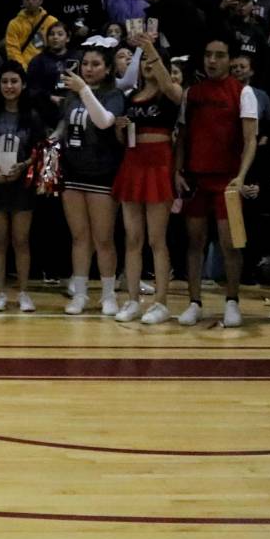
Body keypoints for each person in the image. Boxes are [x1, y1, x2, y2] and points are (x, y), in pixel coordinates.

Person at [175, 32, 258, 328]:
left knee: (231, 244)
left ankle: (232, 301)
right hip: (196, 179)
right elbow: (182, 137)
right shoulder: (191, 93)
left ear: (231, 59)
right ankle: (194, 302)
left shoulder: (243, 93)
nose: (212, 60)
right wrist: (178, 170)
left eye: (220, 55)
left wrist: (241, 176)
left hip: (228, 181)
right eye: (209, 54)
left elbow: (251, 140)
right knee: (194, 242)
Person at [111, 35, 183, 325]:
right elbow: (123, 139)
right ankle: (132, 300)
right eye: (143, 63)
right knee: (133, 238)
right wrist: (119, 128)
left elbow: (170, 88)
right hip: (133, 165)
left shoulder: (170, 92)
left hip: (159, 165)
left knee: (157, 239)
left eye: (153, 62)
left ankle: (161, 302)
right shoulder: (130, 97)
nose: (147, 67)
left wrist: (149, 48)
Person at [55, 40, 125, 316]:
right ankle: (81, 294)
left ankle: (109, 295)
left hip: (103, 174)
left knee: (103, 239)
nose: (89, 69)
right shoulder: (72, 96)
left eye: (96, 64)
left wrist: (84, 90)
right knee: (79, 237)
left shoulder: (113, 94)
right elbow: (64, 126)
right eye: (85, 64)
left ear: (108, 69)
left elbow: (104, 121)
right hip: (73, 173)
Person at [0, 62, 43, 312]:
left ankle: (24, 292)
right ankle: (0, 292)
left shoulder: (32, 116)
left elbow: (39, 152)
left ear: (23, 84)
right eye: (4, 81)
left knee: (21, 240)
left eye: (14, 81)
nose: (9, 86)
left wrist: (24, 165)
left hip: (21, 187)